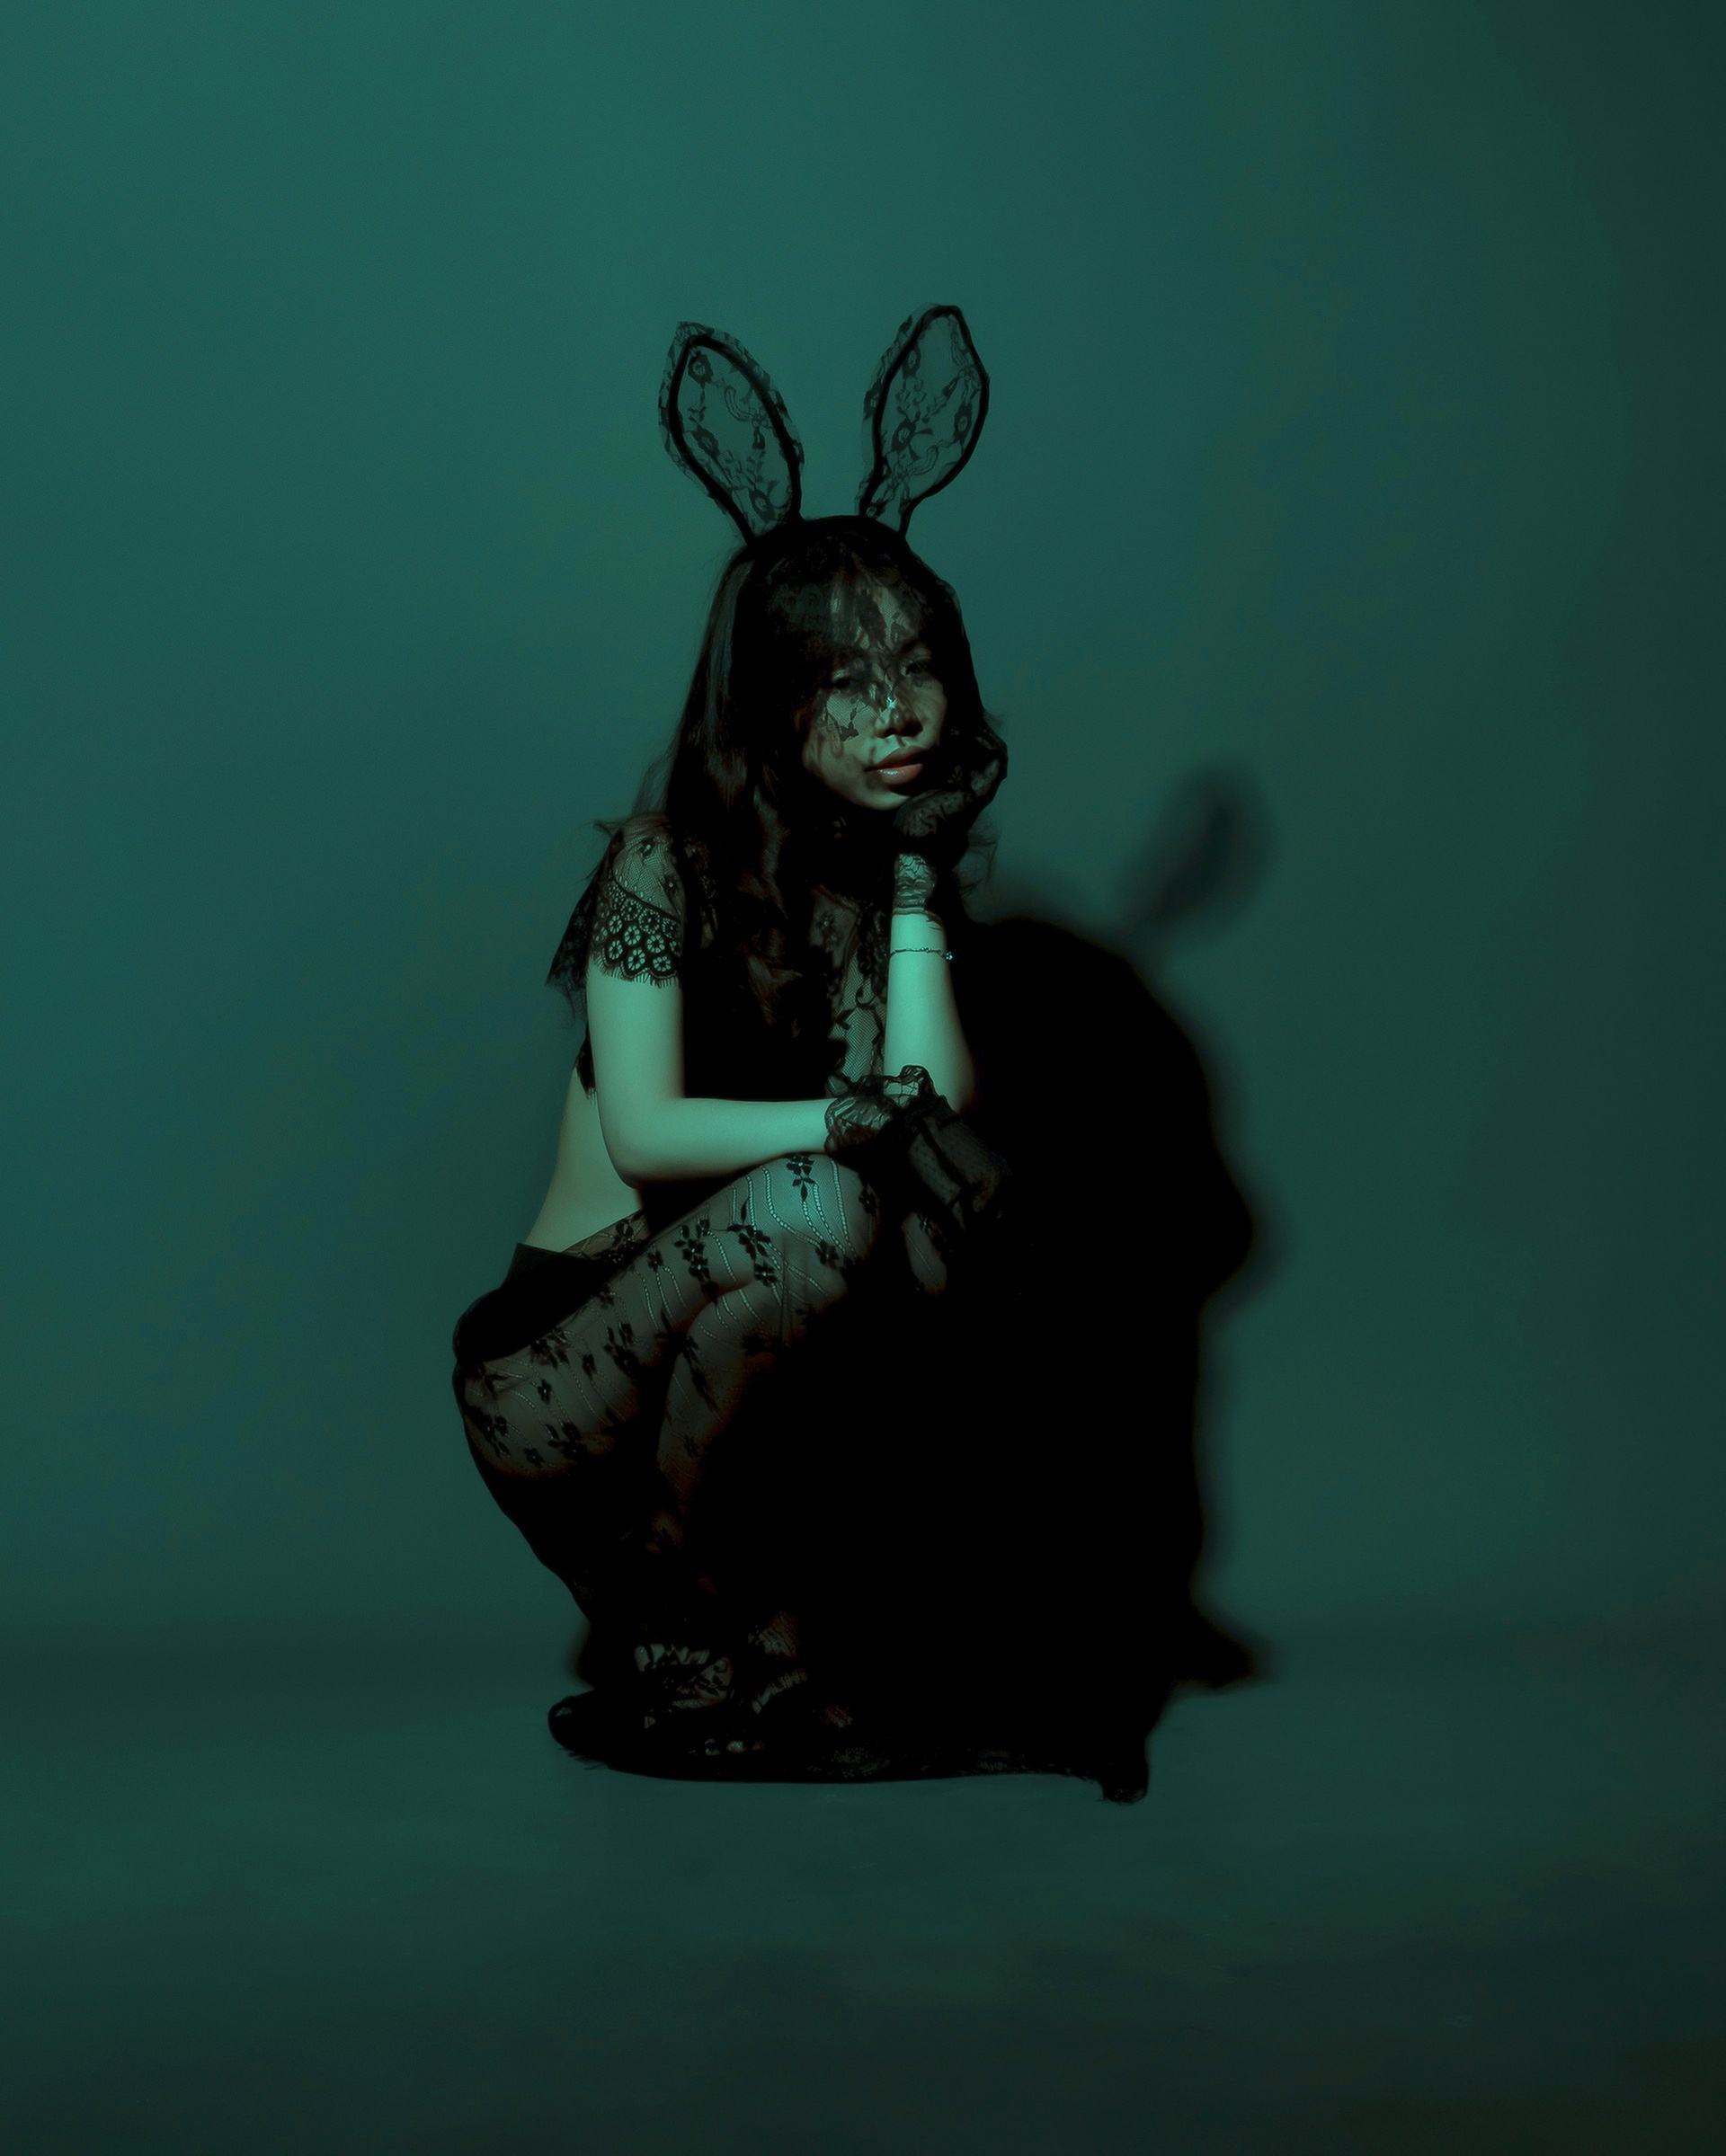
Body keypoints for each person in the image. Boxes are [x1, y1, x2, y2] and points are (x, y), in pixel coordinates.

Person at [449, 309, 1096, 1787]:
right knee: (827, 1198)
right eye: (846, 680)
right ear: (768, 699)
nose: (899, 710)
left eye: (919, 666)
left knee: (925, 1235)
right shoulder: (656, 870)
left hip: (753, 1325)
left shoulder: (876, 890)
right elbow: (649, 1137)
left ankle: (787, 1648)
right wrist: (848, 1124)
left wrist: (919, 871)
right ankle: (684, 1633)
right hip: (569, 1380)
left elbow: (932, 1105)